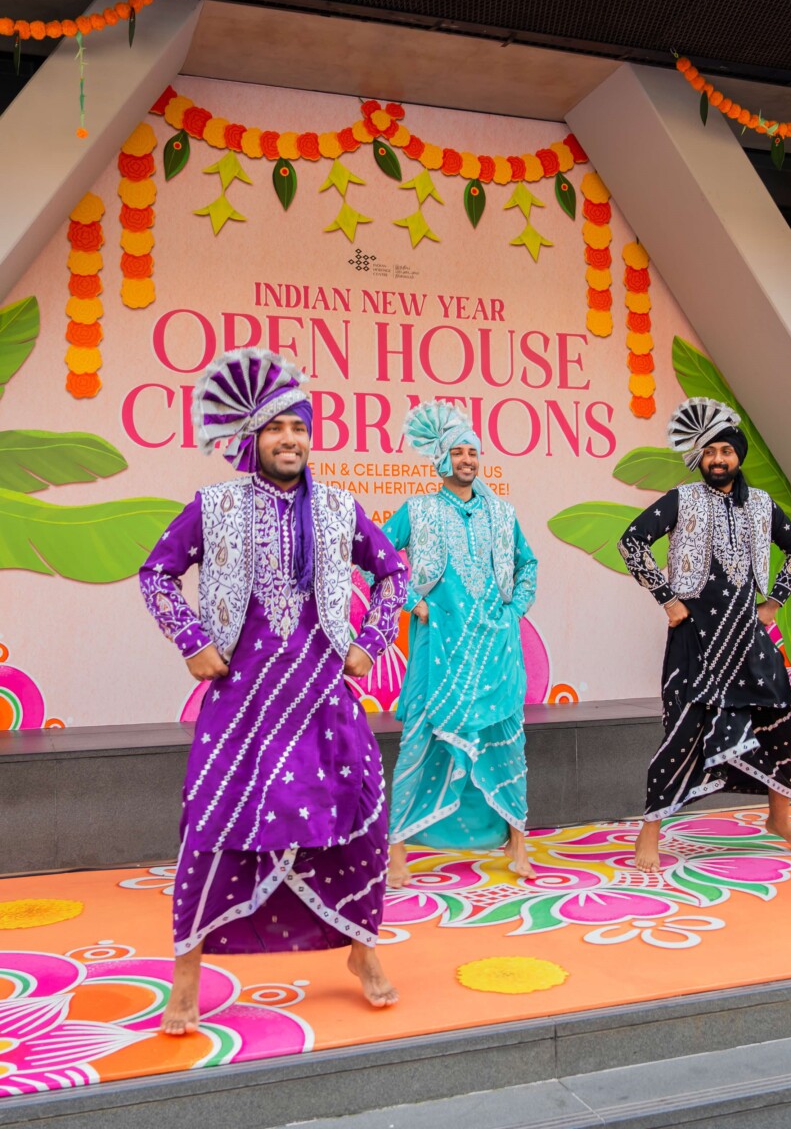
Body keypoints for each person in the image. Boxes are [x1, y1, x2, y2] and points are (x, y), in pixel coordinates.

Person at [139, 348, 406, 1033]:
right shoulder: (216, 505)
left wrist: (368, 643)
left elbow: (392, 574)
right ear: (252, 439)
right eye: (276, 429)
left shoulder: (341, 508)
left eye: (300, 428)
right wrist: (191, 640)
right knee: (214, 828)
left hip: (321, 697)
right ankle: (187, 974)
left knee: (356, 821)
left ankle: (363, 951)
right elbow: (156, 574)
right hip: (243, 702)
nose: (290, 440)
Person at [618, 397, 791, 872]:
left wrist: (772, 605)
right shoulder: (684, 500)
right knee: (683, 731)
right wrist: (667, 598)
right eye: (709, 453)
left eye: (725, 451)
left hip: (747, 635)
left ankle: (778, 818)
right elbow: (632, 541)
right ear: (700, 459)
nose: (718, 460)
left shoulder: (763, 505)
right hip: (696, 637)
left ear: (738, 456)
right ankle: (651, 830)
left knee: (781, 719)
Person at [384, 401, 538, 886]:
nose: (468, 460)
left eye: (474, 452)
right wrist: (412, 602)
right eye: (459, 452)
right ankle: (396, 855)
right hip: (441, 655)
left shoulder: (503, 513)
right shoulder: (419, 511)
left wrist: (514, 611)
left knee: (507, 747)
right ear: (441, 460)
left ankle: (519, 846)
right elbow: (375, 559)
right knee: (419, 745)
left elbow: (527, 564)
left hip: (497, 653)